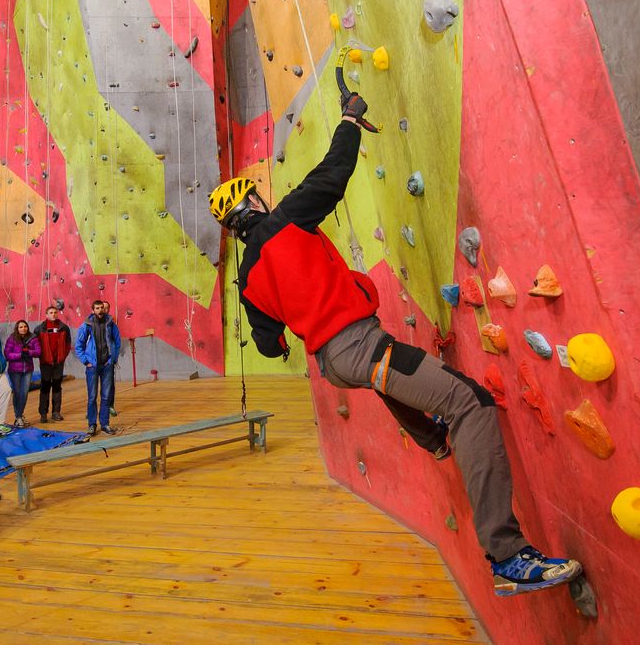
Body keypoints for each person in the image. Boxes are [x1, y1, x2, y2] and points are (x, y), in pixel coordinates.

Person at [207, 91, 583, 597]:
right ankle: (508, 556)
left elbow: (269, 345)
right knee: (470, 402)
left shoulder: (247, 276)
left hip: (335, 359)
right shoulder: (285, 221)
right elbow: (333, 173)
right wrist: (349, 119)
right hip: (359, 346)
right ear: (253, 203)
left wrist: (293, 306)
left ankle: (434, 439)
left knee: (392, 375)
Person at [74, 299, 121, 436]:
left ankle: (105, 424)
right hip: (92, 366)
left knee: (106, 397)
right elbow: (79, 346)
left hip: (107, 365)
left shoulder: (111, 324)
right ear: (93, 310)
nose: (100, 310)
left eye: (102, 308)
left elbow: (117, 343)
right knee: (92, 397)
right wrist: (86, 361)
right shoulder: (86, 325)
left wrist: (112, 360)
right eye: (97, 308)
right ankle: (92, 424)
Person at [34, 305, 72, 422]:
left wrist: (62, 357)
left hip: (58, 363)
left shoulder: (64, 328)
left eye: (55, 312)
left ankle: (56, 412)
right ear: (46, 315)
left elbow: (68, 344)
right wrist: (42, 357)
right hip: (45, 363)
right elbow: (36, 345)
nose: (53, 314)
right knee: (45, 388)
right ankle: (43, 414)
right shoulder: (39, 329)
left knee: (57, 387)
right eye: (51, 312)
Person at [4, 320, 41, 429]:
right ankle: (18, 416)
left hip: (27, 370)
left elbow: (39, 352)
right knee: (17, 392)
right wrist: (20, 355)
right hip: (15, 370)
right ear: (17, 328)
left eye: (25, 326)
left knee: (24, 393)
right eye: (21, 327)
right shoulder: (11, 339)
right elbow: (7, 354)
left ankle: (19, 416)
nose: (23, 328)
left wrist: (29, 352)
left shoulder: (33, 338)